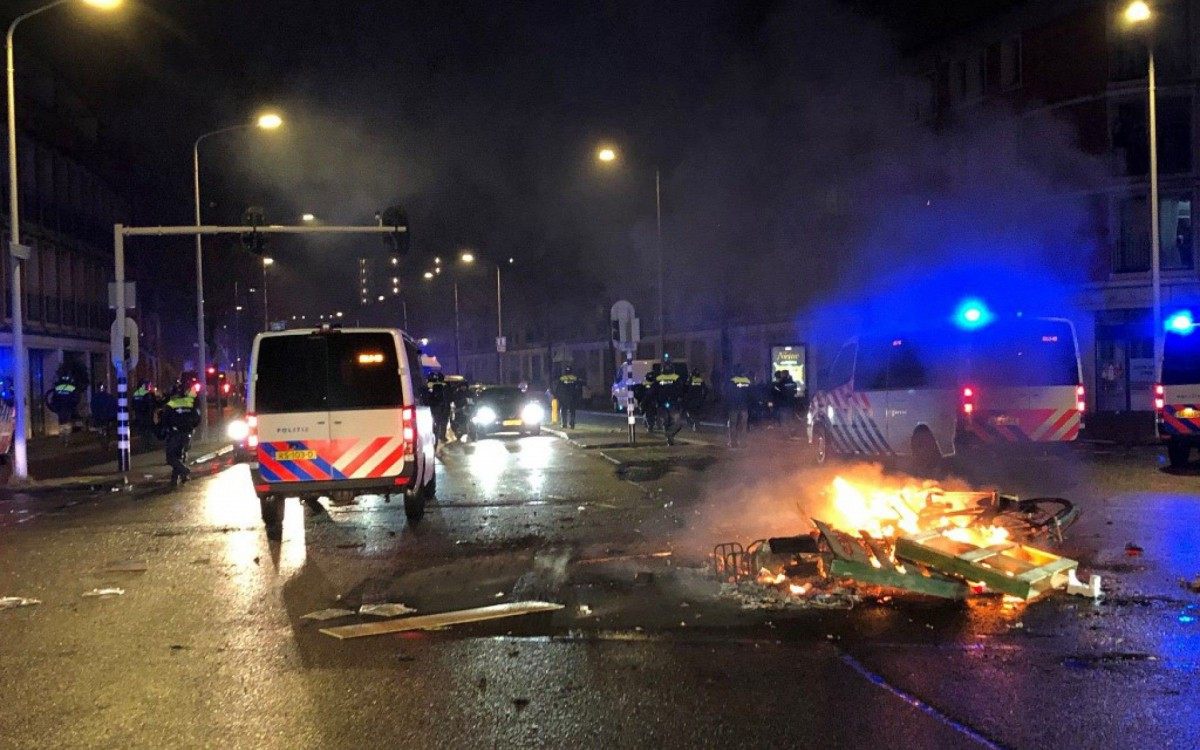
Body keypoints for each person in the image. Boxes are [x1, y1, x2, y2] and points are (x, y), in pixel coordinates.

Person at [159, 380, 200, 486]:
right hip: (188, 433)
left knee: (171, 457)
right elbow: (197, 418)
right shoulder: (189, 403)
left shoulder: (171, 404)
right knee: (179, 455)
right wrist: (191, 427)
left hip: (175, 433)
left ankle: (184, 470)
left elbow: (165, 419)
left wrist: (165, 429)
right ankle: (176, 478)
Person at [45, 374, 81, 445]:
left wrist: (54, 407)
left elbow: (53, 398)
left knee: (61, 422)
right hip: (68, 407)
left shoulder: (58, 388)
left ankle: (62, 439)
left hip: (60, 408)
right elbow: (76, 398)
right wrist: (74, 405)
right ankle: (67, 439)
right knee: (67, 422)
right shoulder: (72, 387)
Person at [654, 365, 685, 445]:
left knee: (666, 422)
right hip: (673, 403)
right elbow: (682, 390)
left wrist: (655, 402)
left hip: (662, 404)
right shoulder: (676, 378)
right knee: (677, 422)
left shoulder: (658, 378)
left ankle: (668, 437)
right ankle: (669, 437)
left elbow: (653, 391)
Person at [725, 365, 752, 448]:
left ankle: (733, 443)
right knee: (744, 425)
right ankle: (743, 443)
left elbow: (727, 393)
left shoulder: (732, 380)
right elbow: (751, 393)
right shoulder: (747, 381)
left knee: (733, 425)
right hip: (744, 406)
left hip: (734, 406)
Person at [426, 372, 450, 444]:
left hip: (440, 407)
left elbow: (448, 396)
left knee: (441, 423)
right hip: (436, 408)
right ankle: (438, 437)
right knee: (438, 423)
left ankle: (440, 436)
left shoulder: (442, 386)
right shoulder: (433, 386)